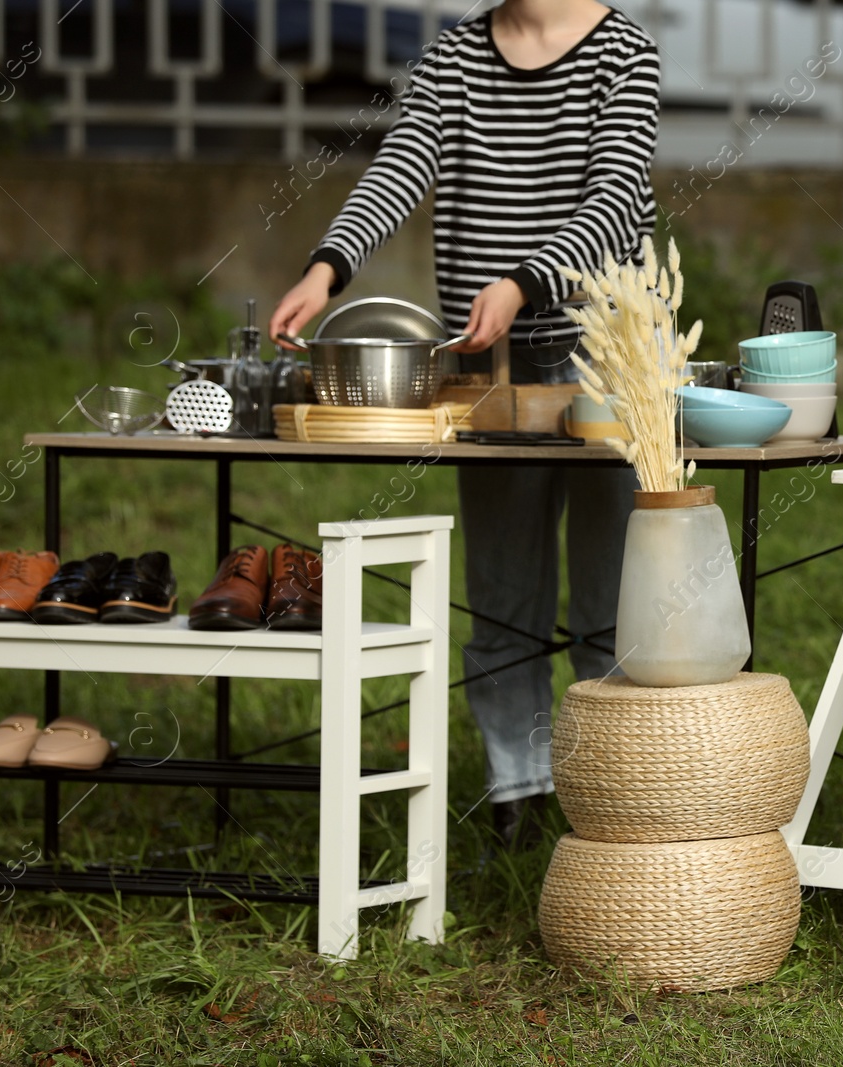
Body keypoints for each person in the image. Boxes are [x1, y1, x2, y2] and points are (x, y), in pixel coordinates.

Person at [270, 0, 659, 848]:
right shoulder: (453, 58)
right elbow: (399, 169)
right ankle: (517, 789)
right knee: (506, 589)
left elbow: (614, 198)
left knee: (611, 596)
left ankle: (610, 796)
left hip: (611, 356)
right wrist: (326, 268)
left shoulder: (624, 54)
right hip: (489, 370)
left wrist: (523, 281)